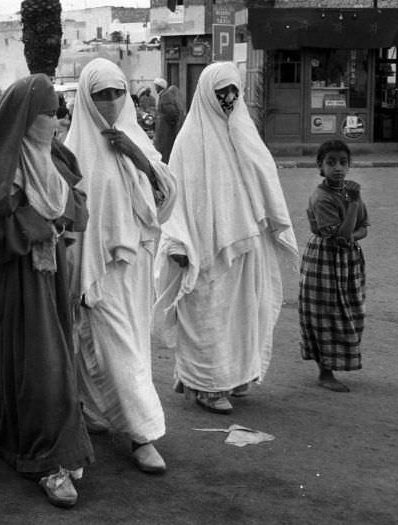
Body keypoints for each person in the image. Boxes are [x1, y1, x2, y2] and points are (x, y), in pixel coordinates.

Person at [0, 73, 93, 508]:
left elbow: (76, 207)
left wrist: (63, 220)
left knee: (42, 362)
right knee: (39, 366)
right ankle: (48, 462)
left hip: (50, 278)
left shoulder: (54, 158)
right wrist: (40, 224)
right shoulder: (0, 169)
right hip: (14, 283)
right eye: (46, 113)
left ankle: (32, 445)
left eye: (58, 112)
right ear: (25, 117)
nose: (55, 120)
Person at [153, 61, 298, 415]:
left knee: (243, 316)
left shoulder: (244, 131)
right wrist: (177, 243)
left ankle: (233, 378)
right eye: (222, 93)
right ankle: (208, 387)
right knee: (208, 316)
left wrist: (274, 223)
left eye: (234, 91)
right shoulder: (190, 140)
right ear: (207, 94)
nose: (229, 99)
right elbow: (178, 198)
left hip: (247, 244)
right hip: (205, 248)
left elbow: (266, 181)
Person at [64, 58, 175, 474]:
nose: (109, 102)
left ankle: (97, 414)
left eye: (116, 93)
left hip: (137, 266)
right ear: (86, 98)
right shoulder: (75, 151)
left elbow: (164, 199)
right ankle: (143, 435)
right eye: (100, 95)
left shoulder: (137, 141)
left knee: (127, 349)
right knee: (119, 349)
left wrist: (135, 156)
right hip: (99, 269)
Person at [299, 140, 369, 392]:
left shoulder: (351, 194)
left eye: (343, 162)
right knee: (324, 314)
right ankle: (324, 372)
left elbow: (362, 229)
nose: (338, 168)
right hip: (324, 260)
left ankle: (336, 363)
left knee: (350, 310)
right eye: (331, 162)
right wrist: (351, 206)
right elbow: (339, 236)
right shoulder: (322, 197)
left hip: (348, 261)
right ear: (320, 166)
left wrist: (351, 233)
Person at [152, 77, 185, 163]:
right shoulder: (163, 95)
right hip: (164, 128)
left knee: (164, 147)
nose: (155, 88)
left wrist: (170, 124)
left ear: (160, 87)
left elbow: (172, 112)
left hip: (165, 129)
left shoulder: (165, 96)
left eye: (156, 86)